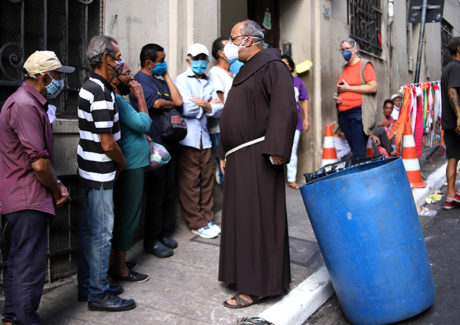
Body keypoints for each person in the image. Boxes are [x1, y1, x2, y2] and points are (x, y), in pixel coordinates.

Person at [217, 20, 297, 308]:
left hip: (259, 154)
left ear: (248, 40)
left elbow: (285, 108)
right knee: (241, 219)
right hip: (238, 155)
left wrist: (277, 147)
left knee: (257, 220)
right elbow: (232, 114)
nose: (229, 43)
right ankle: (241, 274)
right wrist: (224, 150)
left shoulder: (273, 66)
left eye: (232, 37)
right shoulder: (246, 69)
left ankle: (259, 285)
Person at [0, 50, 72, 324]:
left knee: (20, 263)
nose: (59, 81)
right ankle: (23, 319)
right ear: (44, 77)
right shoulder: (24, 106)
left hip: (22, 194)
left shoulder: (25, 102)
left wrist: (57, 184)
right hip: (27, 196)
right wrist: (56, 189)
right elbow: (39, 164)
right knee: (29, 266)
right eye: (56, 76)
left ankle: (11, 317)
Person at [77, 35, 135, 311]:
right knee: (101, 233)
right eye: (117, 57)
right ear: (105, 59)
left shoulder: (92, 86)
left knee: (90, 231)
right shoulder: (99, 91)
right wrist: (121, 163)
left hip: (89, 170)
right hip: (100, 171)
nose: (119, 63)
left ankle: (88, 285)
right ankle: (98, 293)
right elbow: (107, 142)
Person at [130, 43, 183, 258]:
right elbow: (159, 104)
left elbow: (177, 101)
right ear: (148, 62)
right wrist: (166, 103)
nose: (164, 63)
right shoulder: (139, 81)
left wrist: (167, 75)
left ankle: (162, 234)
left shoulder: (160, 81)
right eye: (161, 60)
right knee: (156, 195)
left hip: (169, 145)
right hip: (153, 146)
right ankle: (151, 241)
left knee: (169, 192)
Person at [174, 43, 223, 239]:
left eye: (204, 58)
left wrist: (204, 104)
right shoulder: (181, 80)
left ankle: (207, 218)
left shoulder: (208, 81)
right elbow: (187, 109)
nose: (201, 62)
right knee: (191, 182)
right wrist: (207, 105)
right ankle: (197, 222)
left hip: (205, 137)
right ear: (188, 60)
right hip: (189, 139)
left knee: (207, 180)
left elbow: (219, 108)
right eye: (197, 58)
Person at [110, 63, 151, 282]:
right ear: (115, 77)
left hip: (133, 163)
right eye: (127, 74)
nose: (132, 78)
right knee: (128, 216)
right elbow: (144, 124)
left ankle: (117, 261)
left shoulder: (120, 100)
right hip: (131, 166)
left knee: (126, 215)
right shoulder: (118, 101)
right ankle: (120, 269)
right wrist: (141, 95)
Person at [333, 37, 378, 158]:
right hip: (344, 114)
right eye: (342, 50)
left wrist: (349, 89)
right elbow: (341, 89)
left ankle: (363, 175)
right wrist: (338, 98)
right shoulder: (342, 69)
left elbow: (373, 87)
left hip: (358, 113)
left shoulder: (365, 65)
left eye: (347, 49)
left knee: (358, 151)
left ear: (355, 49)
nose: (344, 52)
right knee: (355, 150)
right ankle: (361, 172)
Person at [208, 37, 235, 186]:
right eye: (228, 46)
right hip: (220, 130)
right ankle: (229, 208)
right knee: (225, 169)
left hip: (233, 129)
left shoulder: (231, 73)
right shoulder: (215, 73)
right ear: (220, 53)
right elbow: (220, 104)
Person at [281, 54, 310, 189]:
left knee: (292, 151)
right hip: (278, 122)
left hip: (295, 122)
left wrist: (306, 119)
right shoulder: (274, 81)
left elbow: (304, 100)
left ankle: (291, 179)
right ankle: (276, 179)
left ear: (291, 67)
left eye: (286, 64)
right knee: (277, 149)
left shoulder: (298, 82)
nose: (283, 67)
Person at [440, 36, 460, 209]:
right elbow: (452, 92)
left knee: (452, 158)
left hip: (449, 122)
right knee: (453, 158)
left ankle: (450, 197)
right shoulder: (455, 68)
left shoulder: (447, 68)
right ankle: (453, 194)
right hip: (457, 122)